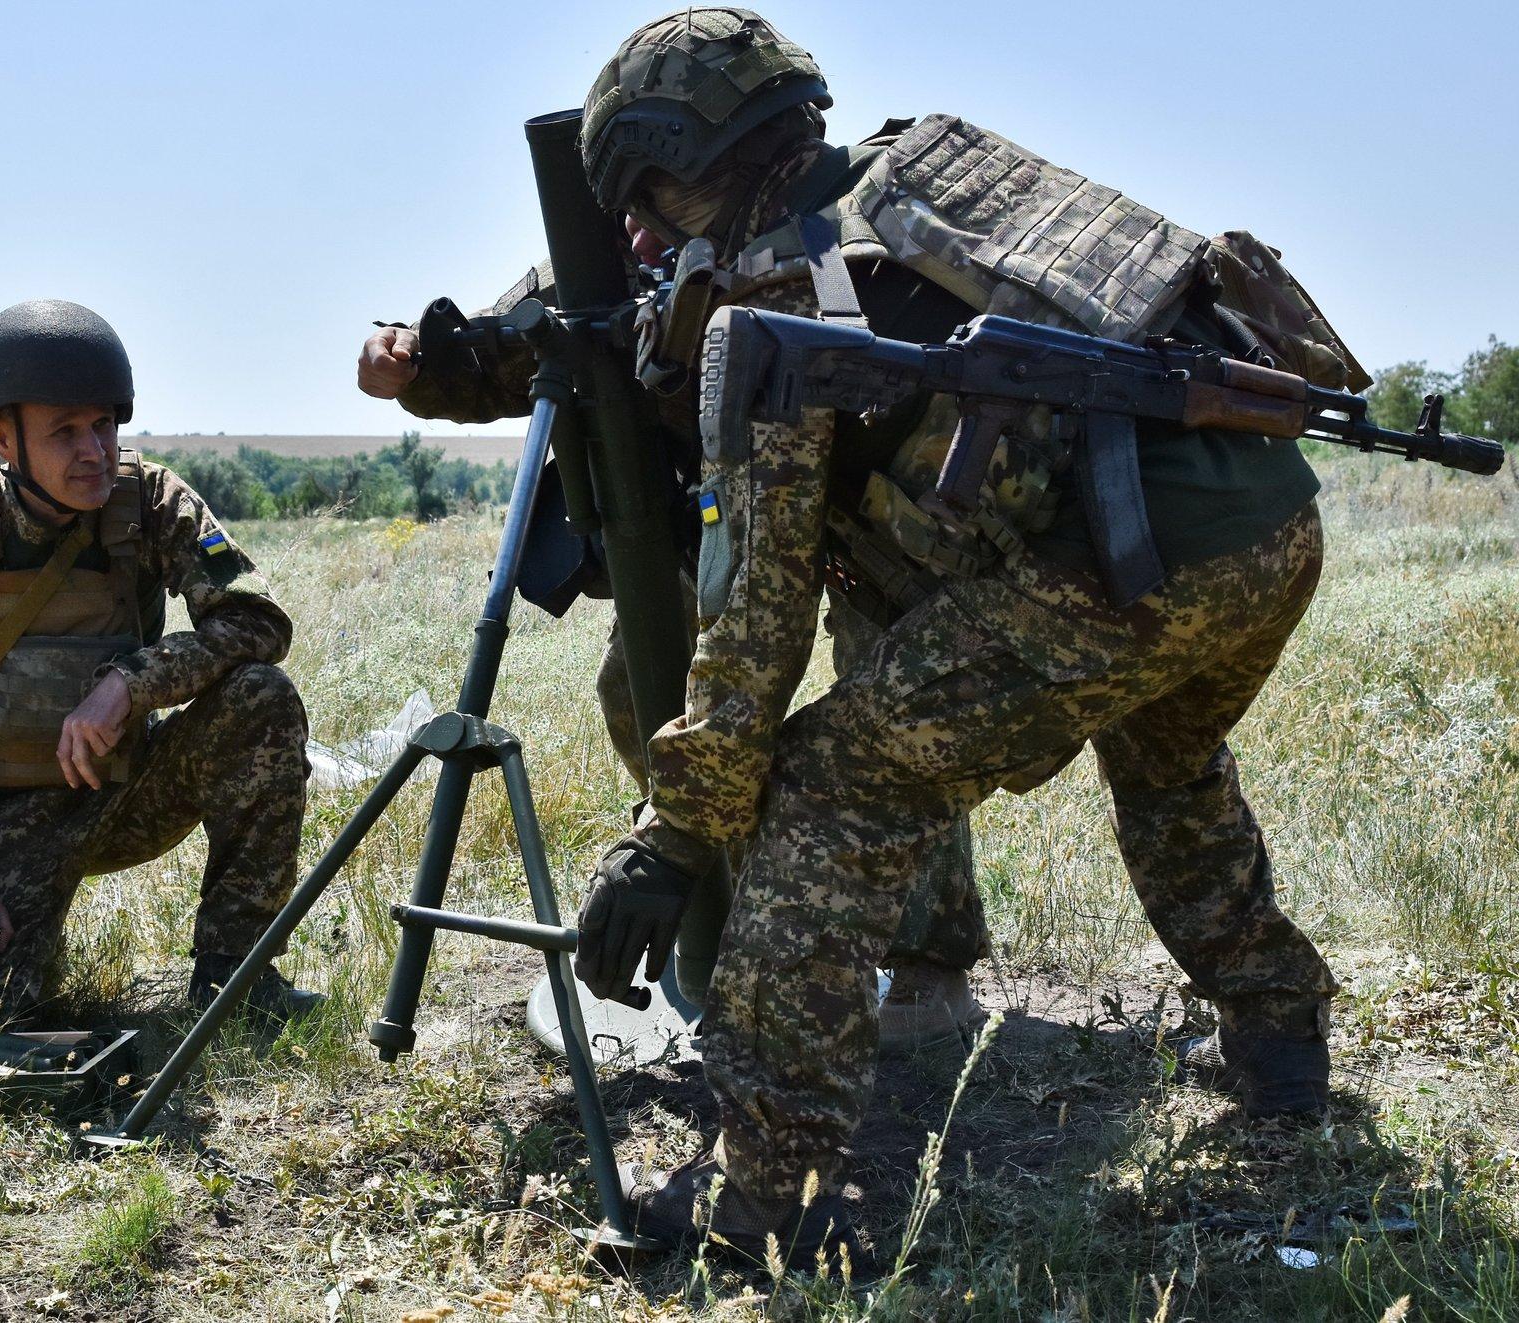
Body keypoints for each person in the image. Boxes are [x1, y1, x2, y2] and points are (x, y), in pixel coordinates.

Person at [520, 8, 1344, 1253]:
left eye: (643, 193)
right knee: (1168, 766)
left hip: (1122, 569)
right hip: (1266, 523)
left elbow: (755, 623)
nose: (636, 233)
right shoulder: (926, 178)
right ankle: (1280, 1040)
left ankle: (760, 1198)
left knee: (824, 787)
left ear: (699, 152)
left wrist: (673, 836)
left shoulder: (783, 296)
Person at [357, 162, 989, 1055]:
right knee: (639, 690)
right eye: (631, 212)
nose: (643, 233)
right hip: (717, 511)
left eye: (666, 202)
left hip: (864, 505)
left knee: (892, 707)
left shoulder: (825, 234)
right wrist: (406, 361)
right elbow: (494, 359)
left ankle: (930, 964)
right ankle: (725, 918)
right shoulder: (597, 264)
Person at [0, 299, 319, 1032]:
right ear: (4, 439)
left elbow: (256, 620)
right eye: (65, 432)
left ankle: (236, 977)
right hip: (5, 820)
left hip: (130, 791)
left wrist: (131, 684)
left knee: (261, 697)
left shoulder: (149, 502)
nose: (95, 451)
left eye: (104, 425)